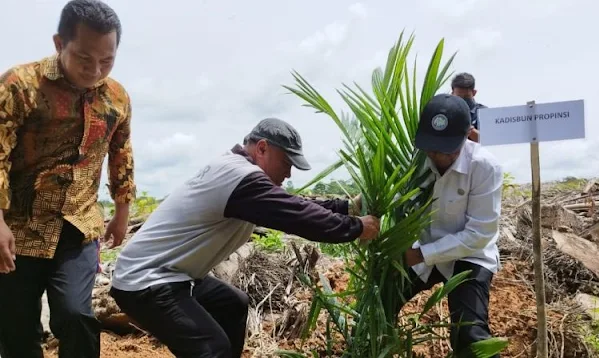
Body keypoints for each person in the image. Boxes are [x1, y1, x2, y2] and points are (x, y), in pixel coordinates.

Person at [109, 117, 381, 358]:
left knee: (233, 304)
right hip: (145, 281)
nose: (289, 173)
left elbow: (291, 204)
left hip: (175, 276)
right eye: (287, 163)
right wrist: (356, 227)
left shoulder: (240, 173)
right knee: (211, 349)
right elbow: (297, 216)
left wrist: (346, 207)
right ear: (262, 148)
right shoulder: (241, 177)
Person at [0, 1, 135, 357]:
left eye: (107, 60)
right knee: (16, 326)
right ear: (60, 43)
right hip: (18, 226)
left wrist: (122, 211)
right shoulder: (20, 85)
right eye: (84, 58)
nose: (95, 70)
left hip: (79, 225)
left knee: (76, 316)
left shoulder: (117, 97)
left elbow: (121, 152)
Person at [401, 93, 503, 357]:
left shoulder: (484, 166)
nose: (436, 155)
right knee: (383, 297)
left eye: (446, 149)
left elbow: (480, 234)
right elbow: (394, 197)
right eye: (431, 147)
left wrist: (422, 254)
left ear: (467, 136)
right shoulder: (418, 161)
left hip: (470, 255)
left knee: (470, 333)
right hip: (423, 249)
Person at [451, 72, 487, 143]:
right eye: (458, 97)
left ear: (474, 92)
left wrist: (467, 128)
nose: (462, 101)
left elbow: (488, 140)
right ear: (452, 94)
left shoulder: (483, 113)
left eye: (466, 97)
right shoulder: (447, 112)